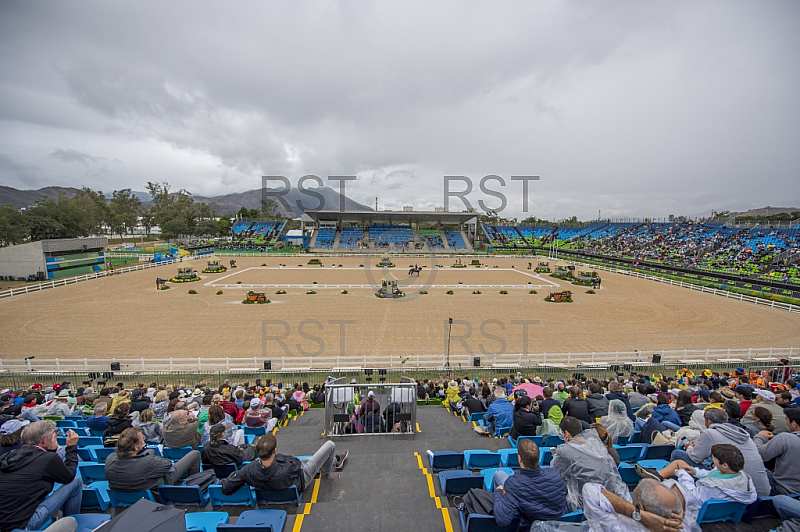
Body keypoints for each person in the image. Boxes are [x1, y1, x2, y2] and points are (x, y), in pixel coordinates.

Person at [468, 438, 567, 531]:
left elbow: (502, 520)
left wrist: (498, 492)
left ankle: (499, 505)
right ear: (538, 457)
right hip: (554, 523)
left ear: (519, 458)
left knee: (498, 476)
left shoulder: (513, 483)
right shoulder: (554, 473)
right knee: (499, 475)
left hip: (528, 526)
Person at [0, 421, 82, 532]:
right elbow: (68, 476)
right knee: (75, 482)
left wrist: (51, 451)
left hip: (5, 521)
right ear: (44, 440)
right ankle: (74, 519)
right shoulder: (48, 459)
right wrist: (71, 448)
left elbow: (43, 467)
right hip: (23, 524)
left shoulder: (7, 456)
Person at [671, 408, 770, 497]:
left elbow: (695, 458)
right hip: (758, 489)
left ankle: (670, 485)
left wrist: (689, 447)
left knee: (677, 454)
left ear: (709, 421)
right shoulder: (744, 435)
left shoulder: (709, 433)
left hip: (734, 486)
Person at [221, 434, 348, 497]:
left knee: (312, 459)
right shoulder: (287, 467)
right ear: (274, 450)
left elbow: (226, 487)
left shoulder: (249, 469)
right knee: (330, 445)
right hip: (302, 477)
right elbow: (297, 463)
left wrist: (236, 476)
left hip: (285, 478)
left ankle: (333, 461)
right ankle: (327, 474)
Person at [636, 444, 757, 509]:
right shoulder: (741, 476)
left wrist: (682, 474)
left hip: (693, 502)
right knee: (680, 464)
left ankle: (658, 478)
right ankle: (658, 476)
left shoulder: (713, 486)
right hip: (704, 492)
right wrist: (695, 472)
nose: (712, 460)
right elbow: (711, 473)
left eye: (714, 459)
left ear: (725, 465)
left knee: (668, 481)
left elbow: (693, 497)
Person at [550, 417, 629, 512]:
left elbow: (555, 471)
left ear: (566, 433)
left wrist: (557, 456)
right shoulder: (596, 444)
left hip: (582, 503)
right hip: (607, 497)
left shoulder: (564, 450)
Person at [580, 477, 698, 532]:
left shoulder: (620, 527)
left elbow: (590, 490)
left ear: (642, 508)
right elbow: (674, 484)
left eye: (634, 500)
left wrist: (637, 514)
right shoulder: (683, 524)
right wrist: (680, 510)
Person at [105, 427, 201, 492]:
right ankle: (191, 488)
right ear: (135, 448)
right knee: (195, 454)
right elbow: (167, 465)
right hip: (152, 489)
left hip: (125, 489)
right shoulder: (148, 463)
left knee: (150, 451)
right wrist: (149, 460)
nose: (143, 441)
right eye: (142, 439)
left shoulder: (110, 458)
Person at [753, 408, 800, 496]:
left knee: (753, 468)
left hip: (784, 490)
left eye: (786, 420)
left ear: (794, 424)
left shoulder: (785, 438)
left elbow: (757, 455)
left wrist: (760, 436)